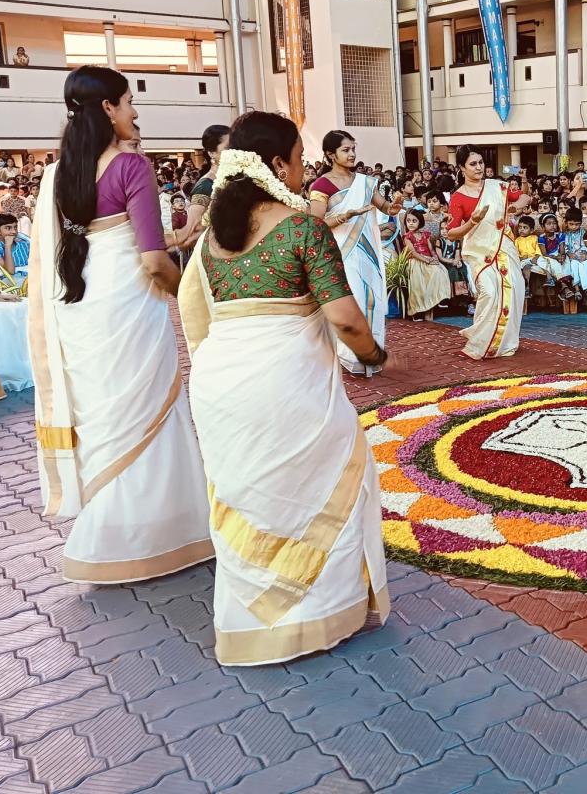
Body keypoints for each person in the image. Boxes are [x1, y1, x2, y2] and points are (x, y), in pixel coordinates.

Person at [178, 111, 389, 666]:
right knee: (325, 481)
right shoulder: (302, 230)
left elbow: (194, 309)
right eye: (298, 159)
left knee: (248, 495)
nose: (303, 170)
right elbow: (346, 321)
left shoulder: (212, 239)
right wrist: (376, 356)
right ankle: (321, 615)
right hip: (286, 382)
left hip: (219, 382)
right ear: (276, 165)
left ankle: (251, 625)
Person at [27, 65, 212, 583]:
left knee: (108, 423)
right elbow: (152, 261)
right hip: (128, 309)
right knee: (150, 411)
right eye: (129, 101)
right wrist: (191, 297)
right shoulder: (131, 166)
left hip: (80, 308)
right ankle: (165, 537)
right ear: (108, 108)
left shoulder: (59, 173)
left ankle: (109, 537)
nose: (135, 111)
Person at [309, 130, 405, 374]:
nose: (352, 154)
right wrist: (344, 216)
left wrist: (395, 206)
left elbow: (386, 208)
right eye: (346, 150)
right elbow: (315, 224)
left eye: (353, 148)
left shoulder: (364, 182)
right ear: (331, 154)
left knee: (372, 301)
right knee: (356, 302)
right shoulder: (322, 185)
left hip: (368, 253)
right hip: (341, 253)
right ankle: (350, 355)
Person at [446, 145, 527, 359]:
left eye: (481, 162)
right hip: (479, 253)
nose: (479, 167)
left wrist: (516, 205)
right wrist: (472, 222)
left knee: (515, 287)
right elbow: (452, 233)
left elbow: (523, 198)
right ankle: (482, 340)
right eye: (473, 164)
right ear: (462, 167)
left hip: (504, 247)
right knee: (489, 292)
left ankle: (504, 341)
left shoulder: (497, 187)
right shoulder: (458, 197)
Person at [178, 124, 229, 249]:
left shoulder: (233, 179)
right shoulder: (205, 185)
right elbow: (193, 229)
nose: (235, 152)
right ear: (211, 153)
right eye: (228, 148)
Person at [402, 210, 451, 320]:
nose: (411, 223)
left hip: (428, 259)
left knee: (441, 271)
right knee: (418, 281)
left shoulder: (425, 235)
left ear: (420, 222)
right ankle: (416, 311)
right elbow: (413, 253)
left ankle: (440, 298)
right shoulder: (407, 237)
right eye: (408, 221)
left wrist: (435, 258)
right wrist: (426, 261)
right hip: (415, 261)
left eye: (414, 221)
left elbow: (431, 249)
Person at [0, 213, 31, 286]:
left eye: (15, 227)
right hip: (10, 284)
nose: (14, 231)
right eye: (8, 228)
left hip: (28, 280)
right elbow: (10, 271)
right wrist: (7, 246)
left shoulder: (24, 244)